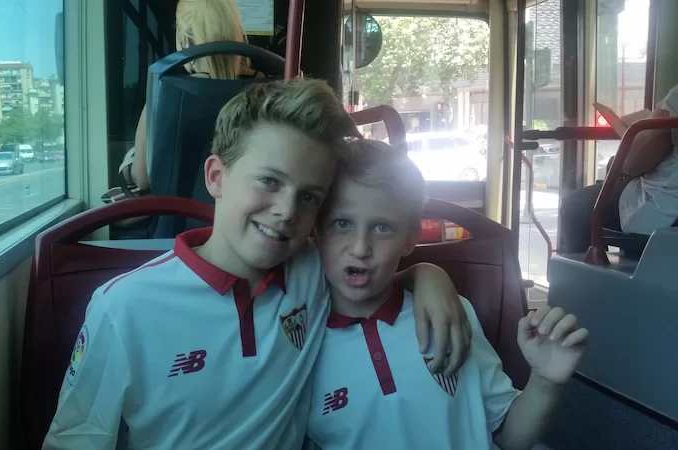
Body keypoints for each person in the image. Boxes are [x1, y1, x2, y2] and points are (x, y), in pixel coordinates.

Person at [44, 79, 473, 449]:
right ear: (216, 176)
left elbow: (370, 271)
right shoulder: (124, 308)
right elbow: (76, 439)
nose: (287, 211)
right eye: (269, 181)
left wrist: (428, 274)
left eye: (309, 197)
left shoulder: (312, 272)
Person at [306, 139, 589, 449]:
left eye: (382, 227)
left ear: (410, 238)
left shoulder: (453, 313)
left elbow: (507, 435)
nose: (360, 248)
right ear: (315, 231)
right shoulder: (298, 346)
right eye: (342, 223)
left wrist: (546, 380)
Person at [113, 0, 262, 199]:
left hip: (179, 222)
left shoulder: (166, 91)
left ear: (185, 41)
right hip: (250, 218)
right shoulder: (269, 90)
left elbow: (143, 178)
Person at [560, 84, 678, 253]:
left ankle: (584, 273)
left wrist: (628, 154)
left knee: (574, 206)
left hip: (665, 204)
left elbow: (634, 163)